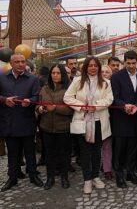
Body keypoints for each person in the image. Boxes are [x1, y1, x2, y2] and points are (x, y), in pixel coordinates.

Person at [64, 57, 113, 194]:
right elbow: (67, 97)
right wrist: (82, 106)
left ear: (98, 67)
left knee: (97, 151)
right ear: (85, 67)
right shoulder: (77, 81)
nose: (93, 68)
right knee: (85, 152)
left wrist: (95, 107)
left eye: (95, 66)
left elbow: (109, 99)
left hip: (99, 121)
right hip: (82, 121)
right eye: (90, 65)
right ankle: (87, 180)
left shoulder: (106, 83)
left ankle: (96, 176)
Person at [0, 53, 44, 192]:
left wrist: (30, 101)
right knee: (12, 153)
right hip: (9, 121)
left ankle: (33, 175)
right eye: (17, 62)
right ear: (11, 63)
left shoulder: (32, 79)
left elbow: (37, 96)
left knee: (30, 152)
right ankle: (12, 177)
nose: (20, 64)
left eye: (23, 61)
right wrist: (4, 100)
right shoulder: (2, 77)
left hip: (26, 120)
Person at [111, 51, 137, 188]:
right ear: (124, 62)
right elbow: (114, 96)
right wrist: (124, 106)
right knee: (119, 149)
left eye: (133, 63)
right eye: (128, 63)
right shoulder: (117, 77)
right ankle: (119, 175)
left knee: (133, 148)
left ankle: (130, 172)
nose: (131, 66)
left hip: (136, 118)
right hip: (121, 118)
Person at [37, 64, 73, 190]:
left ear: (62, 74)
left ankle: (64, 177)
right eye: (53, 73)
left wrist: (56, 108)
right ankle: (50, 178)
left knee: (64, 154)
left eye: (58, 73)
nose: (55, 75)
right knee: (49, 154)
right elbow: (38, 105)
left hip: (63, 127)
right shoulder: (44, 89)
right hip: (46, 127)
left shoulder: (69, 90)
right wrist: (40, 109)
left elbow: (71, 110)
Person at [101, 65, 114, 180]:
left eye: (107, 72)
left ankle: (107, 168)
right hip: (97, 117)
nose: (104, 74)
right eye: (102, 72)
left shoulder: (113, 86)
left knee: (107, 145)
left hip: (111, 119)